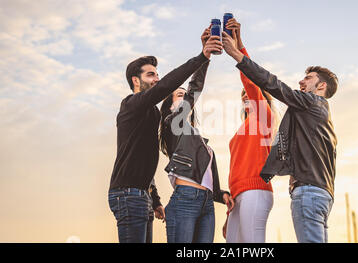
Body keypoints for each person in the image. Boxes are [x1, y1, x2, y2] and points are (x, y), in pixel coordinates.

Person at [222, 30, 338, 243]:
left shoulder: (309, 103)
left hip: (308, 193)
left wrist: (238, 53)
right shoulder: (321, 117)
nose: (301, 82)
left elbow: (271, 84)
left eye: (308, 78)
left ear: (321, 86)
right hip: (321, 193)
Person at [108, 27, 221, 243]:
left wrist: (155, 198)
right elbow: (166, 87)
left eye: (158, 74)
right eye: (151, 74)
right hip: (127, 194)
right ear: (135, 80)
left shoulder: (153, 115)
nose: (157, 79)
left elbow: (143, 158)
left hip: (141, 196)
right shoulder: (130, 105)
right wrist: (201, 56)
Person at [159, 28, 234, 243]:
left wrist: (221, 194)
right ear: (170, 105)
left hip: (206, 203)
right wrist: (205, 56)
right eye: (180, 95)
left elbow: (207, 174)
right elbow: (195, 90)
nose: (185, 99)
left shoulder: (195, 137)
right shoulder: (172, 123)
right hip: (185, 200)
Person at [222, 18, 275, 243]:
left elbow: (252, 83)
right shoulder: (244, 126)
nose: (245, 96)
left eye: (248, 94)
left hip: (255, 190)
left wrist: (238, 48)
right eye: (242, 95)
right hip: (237, 195)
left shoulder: (265, 118)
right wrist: (231, 202)